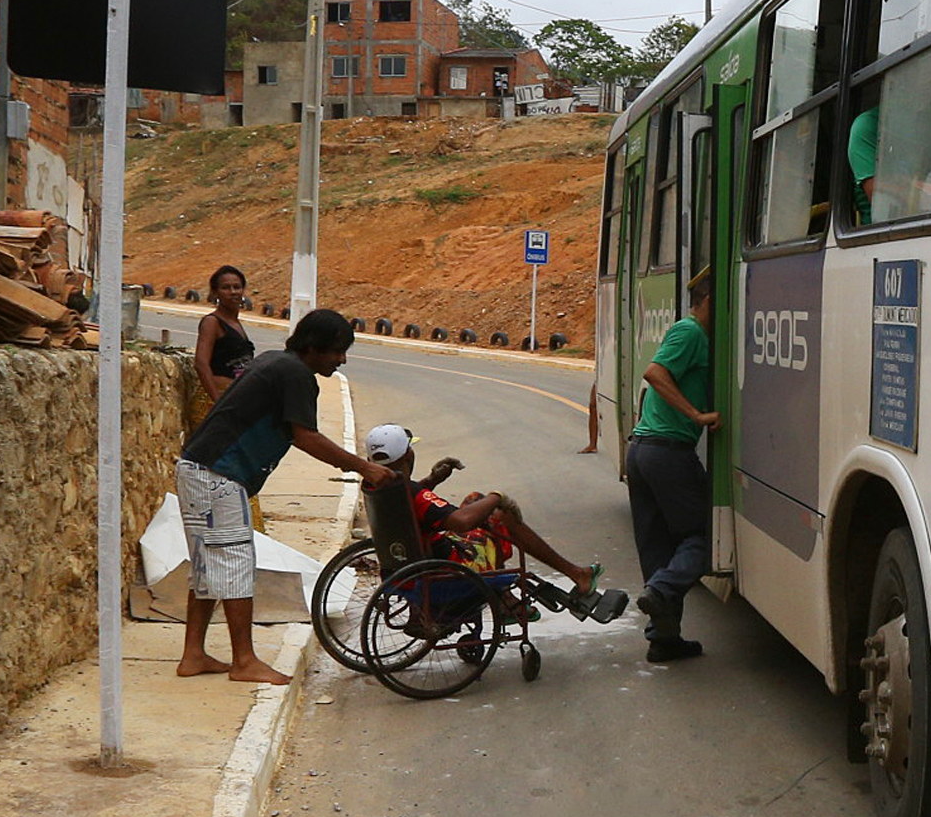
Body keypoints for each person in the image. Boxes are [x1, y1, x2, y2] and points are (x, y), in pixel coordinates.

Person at [173, 308, 394, 681]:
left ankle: (193, 654)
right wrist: (364, 466)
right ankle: (244, 662)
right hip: (220, 475)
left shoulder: (275, 362)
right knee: (237, 566)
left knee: (208, 568)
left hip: (197, 468)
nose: (341, 361)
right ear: (313, 346)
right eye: (336, 351)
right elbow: (305, 436)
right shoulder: (295, 375)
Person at [361, 423, 627, 622]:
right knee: (499, 517)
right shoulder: (416, 495)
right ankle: (565, 579)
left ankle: (508, 599)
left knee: (474, 499)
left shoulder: (381, 487)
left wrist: (433, 479)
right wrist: (497, 497)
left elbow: (416, 505)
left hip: (408, 566)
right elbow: (461, 522)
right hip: (445, 569)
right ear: (408, 456)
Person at [626, 271, 716, 663]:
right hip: (666, 453)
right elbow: (655, 373)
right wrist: (695, 414)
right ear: (709, 300)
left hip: (645, 452)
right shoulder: (690, 331)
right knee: (703, 536)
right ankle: (662, 590)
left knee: (658, 547)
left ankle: (663, 640)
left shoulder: (694, 334)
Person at [192, 266, 259, 406]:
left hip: (236, 398)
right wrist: (218, 402)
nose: (233, 292)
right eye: (226, 288)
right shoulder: (212, 322)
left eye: (237, 287)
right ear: (215, 293)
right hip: (217, 400)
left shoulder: (236, 323)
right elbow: (201, 364)